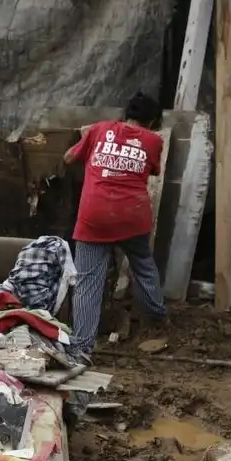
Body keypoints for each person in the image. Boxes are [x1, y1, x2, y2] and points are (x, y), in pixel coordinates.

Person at [63, 92, 168, 356]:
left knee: (87, 282)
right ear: (153, 121)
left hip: (95, 216)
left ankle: (82, 348)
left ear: (125, 113)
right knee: (143, 265)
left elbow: (68, 158)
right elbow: (153, 169)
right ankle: (156, 317)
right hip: (132, 215)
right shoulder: (154, 140)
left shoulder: (99, 129)